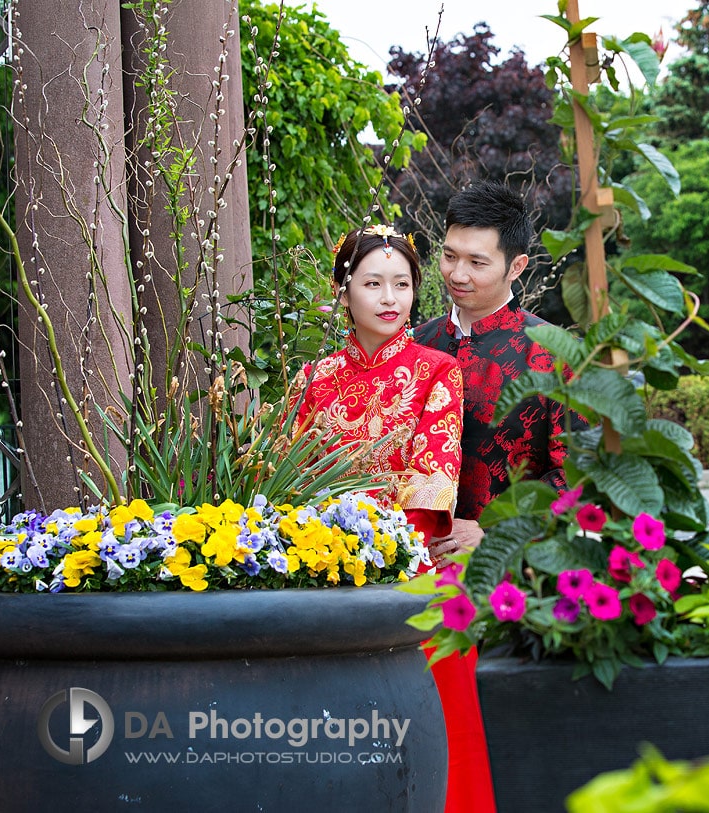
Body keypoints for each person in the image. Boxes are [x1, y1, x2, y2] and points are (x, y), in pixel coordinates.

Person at [290, 223, 496, 813]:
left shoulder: (436, 372)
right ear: (342, 289)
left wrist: (360, 551)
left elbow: (429, 487)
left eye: (402, 284)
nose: (389, 298)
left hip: (418, 567)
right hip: (325, 568)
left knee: (442, 740)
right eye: (373, 283)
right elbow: (288, 486)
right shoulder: (313, 380)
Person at [415, 181, 582, 565]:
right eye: (448, 256)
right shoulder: (417, 345)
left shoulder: (555, 353)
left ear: (517, 267)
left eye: (477, 263)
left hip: (514, 572)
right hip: (411, 572)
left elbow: (577, 475)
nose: (457, 274)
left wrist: (492, 530)